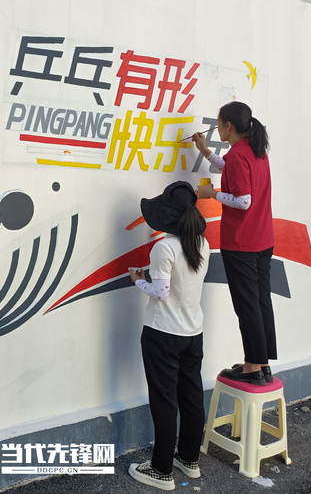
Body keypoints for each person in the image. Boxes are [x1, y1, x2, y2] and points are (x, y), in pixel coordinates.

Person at [128, 181, 210, 492]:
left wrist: (138, 280)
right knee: (191, 397)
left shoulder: (164, 247)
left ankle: (161, 470)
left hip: (162, 333)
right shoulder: (202, 243)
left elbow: (161, 293)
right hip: (192, 332)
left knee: (164, 401)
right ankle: (189, 459)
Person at [193, 101, 274, 386]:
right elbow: (230, 168)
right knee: (261, 302)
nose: (217, 128)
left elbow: (243, 201)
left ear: (228, 126)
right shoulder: (254, 149)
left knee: (247, 306)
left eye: (218, 124)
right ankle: (262, 363)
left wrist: (211, 194)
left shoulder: (239, 155)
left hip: (242, 244)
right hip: (262, 239)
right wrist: (206, 152)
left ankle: (252, 367)